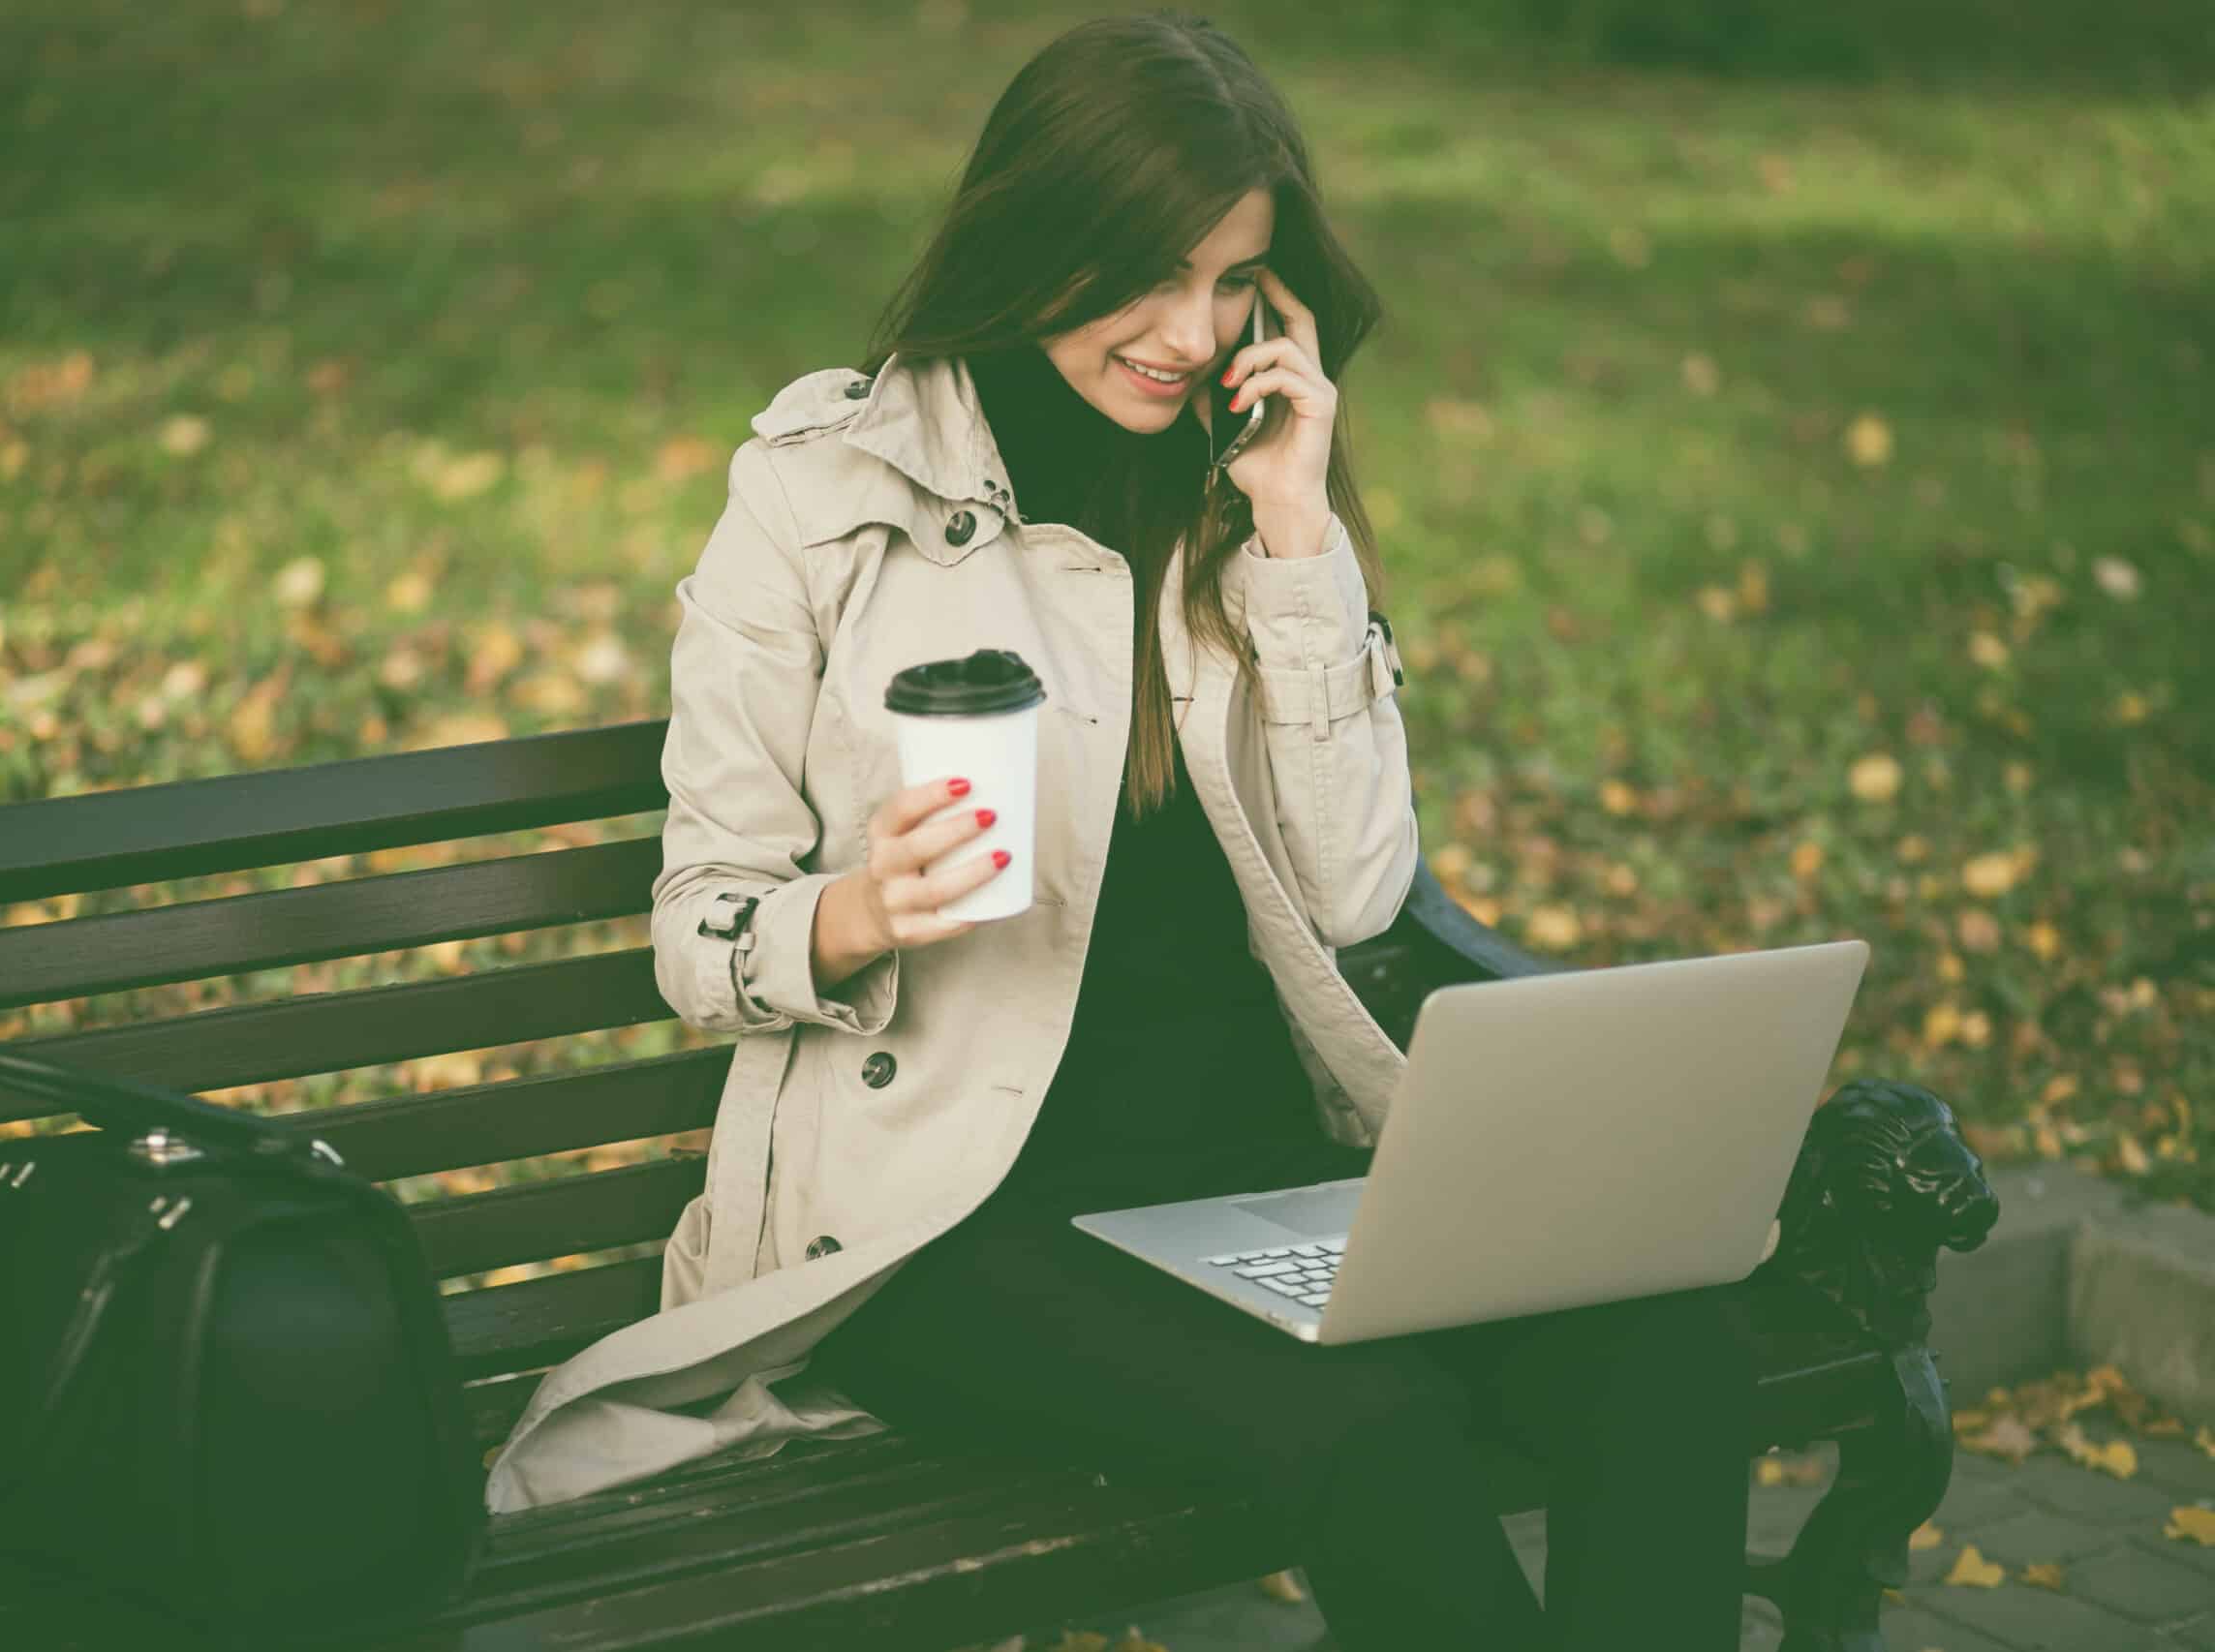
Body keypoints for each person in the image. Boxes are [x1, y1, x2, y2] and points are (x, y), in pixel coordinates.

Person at [486, 13, 1755, 1647]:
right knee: (1369, 1435)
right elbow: (698, 926)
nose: (1189, 329)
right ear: (1035, 237)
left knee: (1663, 1353)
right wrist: (858, 912)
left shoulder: (1240, 491)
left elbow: (1363, 889)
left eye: (1234, 280)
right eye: (1148, 274)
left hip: (1256, 1187)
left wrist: (1300, 535)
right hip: (949, 1229)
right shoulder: (816, 501)